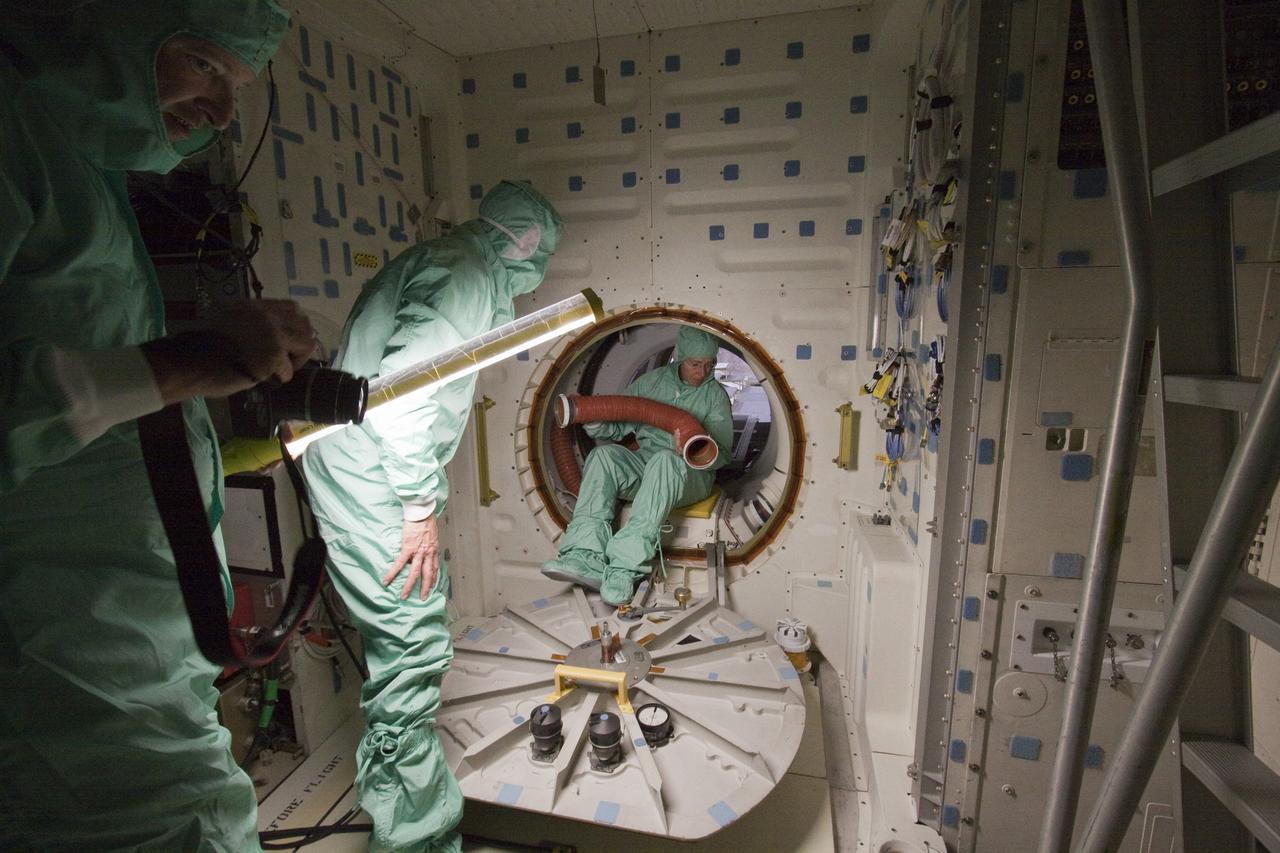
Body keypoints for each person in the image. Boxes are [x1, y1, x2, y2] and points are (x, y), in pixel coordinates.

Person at [0, 3, 303, 851]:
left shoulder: (74, 164)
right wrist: (186, 365)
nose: (222, 111)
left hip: (132, 659)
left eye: (236, 85)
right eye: (204, 64)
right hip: (64, 688)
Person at [300, 179, 564, 853]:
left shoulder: (450, 261)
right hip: (375, 480)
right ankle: (412, 836)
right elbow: (399, 401)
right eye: (540, 258)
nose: (537, 275)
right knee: (413, 645)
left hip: (362, 469)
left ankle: (406, 809)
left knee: (409, 638)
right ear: (525, 245)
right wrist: (419, 508)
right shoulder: (468, 278)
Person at [542, 326, 734, 605]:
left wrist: (695, 449)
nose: (702, 372)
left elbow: (724, 454)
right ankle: (585, 555)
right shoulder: (651, 384)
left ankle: (624, 567)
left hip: (689, 474)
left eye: (708, 365)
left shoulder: (714, 396)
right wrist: (595, 420)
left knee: (665, 460)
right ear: (681, 358)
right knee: (604, 457)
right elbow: (619, 427)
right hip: (646, 462)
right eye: (695, 364)